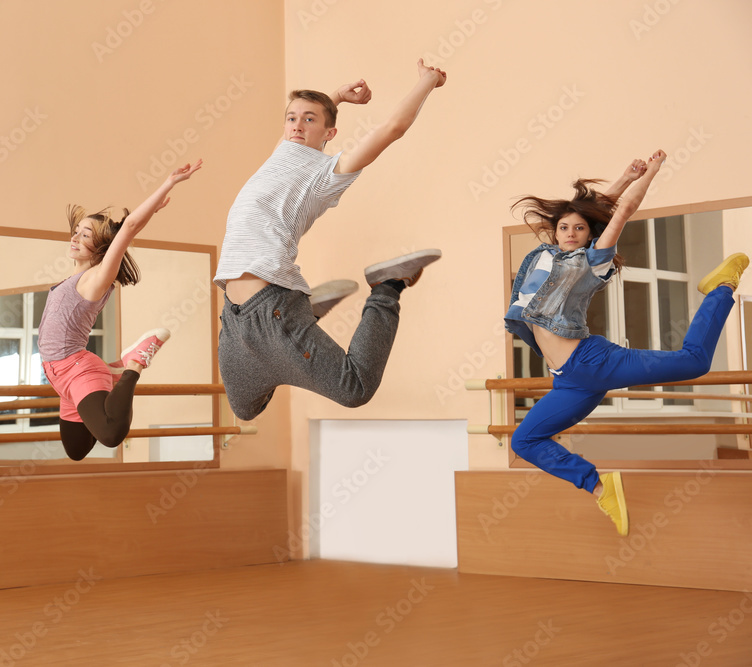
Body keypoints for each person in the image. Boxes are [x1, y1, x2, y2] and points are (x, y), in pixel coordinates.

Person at [504, 150, 748, 536]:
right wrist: (621, 176)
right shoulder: (544, 255)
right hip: (568, 379)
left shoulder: (592, 261)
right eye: (565, 227)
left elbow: (621, 212)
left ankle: (721, 287)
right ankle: (601, 488)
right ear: (556, 231)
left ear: (591, 236)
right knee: (526, 439)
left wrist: (648, 174)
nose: (571, 233)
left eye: (580, 229)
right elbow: (592, 208)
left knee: (695, 361)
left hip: (593, 361)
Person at [215, 59, 447, 420]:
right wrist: (336, 97)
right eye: (292, 117)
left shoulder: (326, 175)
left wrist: (428, 81)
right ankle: (306, 313)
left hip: (271, 306)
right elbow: (307, 117)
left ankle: (387, 287)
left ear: (329, 134)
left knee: (354, 389)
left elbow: (392, 128)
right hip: (235, 316)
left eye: (309, 119)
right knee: (245, 409)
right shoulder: (282, 153)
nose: (297, 125)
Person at [37, 160, 203, 460]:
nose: (75, 237)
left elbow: (129, 227)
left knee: (111, 434)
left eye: (85, 235)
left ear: (101, 247)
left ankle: (134, 364)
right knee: (76, 450)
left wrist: (169, 182)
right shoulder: (72, 279)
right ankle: (114, 368)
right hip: (58, 377)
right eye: (76, 231)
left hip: (76, 370)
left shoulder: (97, 277)